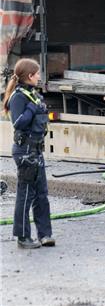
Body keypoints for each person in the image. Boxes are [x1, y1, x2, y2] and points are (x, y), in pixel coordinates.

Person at [2, 58, 54, 249]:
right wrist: (32, 108)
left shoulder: (33, 94)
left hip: (36, 150)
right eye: (37, 73)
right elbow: (18, 123)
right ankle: (23, 237)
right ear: (30, 75)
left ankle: (45, 235)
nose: (39, 76)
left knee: (41, 193)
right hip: (24, 152)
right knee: (26, 194)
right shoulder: (18, 97)